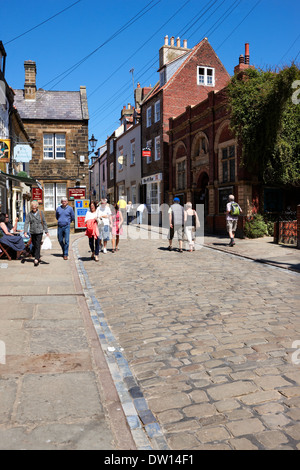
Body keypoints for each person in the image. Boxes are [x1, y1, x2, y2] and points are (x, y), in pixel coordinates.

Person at [24, 201, 49, 266]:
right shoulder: (29, 214)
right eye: (32, 206)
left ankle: (36, 259)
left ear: (37, 206)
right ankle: (38, 257)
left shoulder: (41, 213)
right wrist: (25, 231)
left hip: (39, 231)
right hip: (32, 231)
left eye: (35, 206)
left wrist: (46, 231)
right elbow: (26, 223)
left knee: (38, 244)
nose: (34, 207)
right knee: (34, 245)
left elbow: (44, 222)